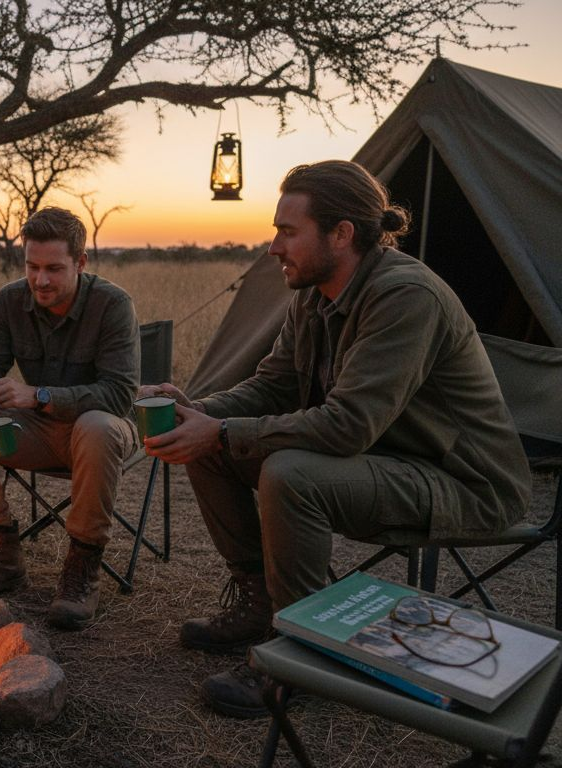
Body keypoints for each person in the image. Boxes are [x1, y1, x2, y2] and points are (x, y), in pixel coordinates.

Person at [141, 160, 531, 717]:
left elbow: (348, 425)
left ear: (341, 233)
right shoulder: (314, 293)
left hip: (463, 482)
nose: (274, 246)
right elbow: (272, 384)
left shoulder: (405, 296)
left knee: (288, 472)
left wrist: (222, 428)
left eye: (287, 231)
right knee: (214, 445)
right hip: (386, 461)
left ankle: (300, 657)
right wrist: (197, 413)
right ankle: (258, 606)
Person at [0, 206, 140, 630]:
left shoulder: (113, 304)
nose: (41, 280)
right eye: (32, 267)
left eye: (54, 268)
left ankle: (82, 566)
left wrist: (39, 395)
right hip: (37, 430)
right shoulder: (10, 299)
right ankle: (0, 549)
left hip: (102, 431)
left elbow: (120, 395)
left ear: (81, 263)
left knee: (96, 425)